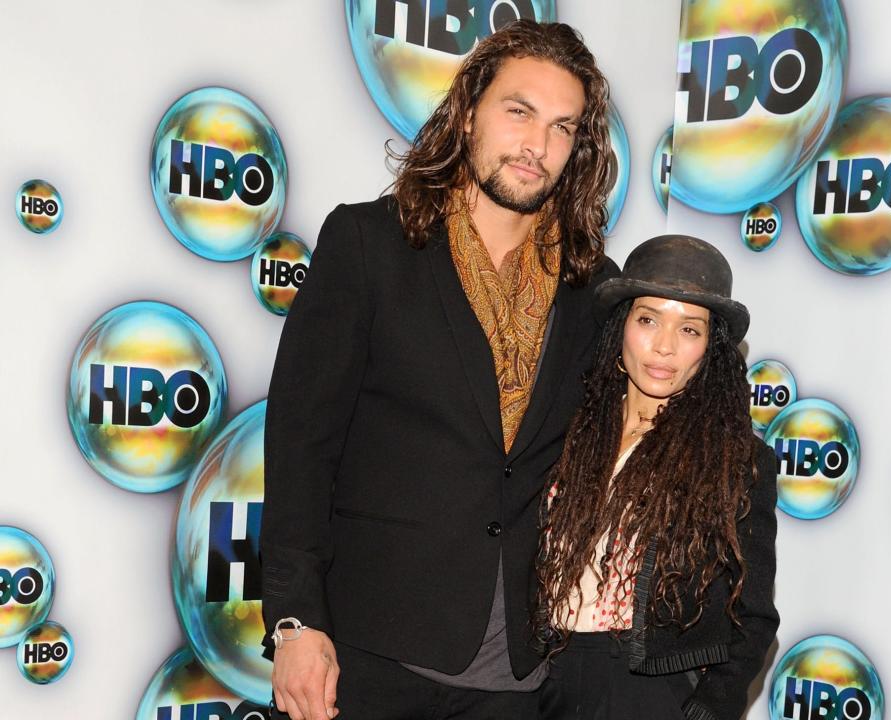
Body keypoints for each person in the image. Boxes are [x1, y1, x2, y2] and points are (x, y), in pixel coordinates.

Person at [259, 19, 619, 720]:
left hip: (517, 679)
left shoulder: (594, 287)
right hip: (368, 659)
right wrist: (296, 623)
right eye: (519, 112)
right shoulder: (369, 245)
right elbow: (300, 447)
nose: (537, 146)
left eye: (562, 127)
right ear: (469, 110)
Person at [535, 235, 779, 720]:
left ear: (711, 347)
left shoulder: (736, 460)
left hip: (651, 693)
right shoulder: (566, 433)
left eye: (690, 330)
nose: (664, 347)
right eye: (648, 319)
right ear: (620, 326)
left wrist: (710, 706)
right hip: (545, 680)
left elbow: (754, 616)